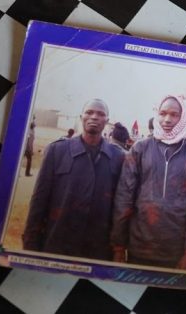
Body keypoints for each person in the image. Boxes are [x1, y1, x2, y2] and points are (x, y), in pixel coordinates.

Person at [111, 95, 186, 269]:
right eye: (163, 113)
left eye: (174, 115)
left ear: (183, 118)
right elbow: (124, 198)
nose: (167, 119)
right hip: (139, 246)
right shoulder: (140, 149)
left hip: (176, 251)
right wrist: (119, 245)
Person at [22, 99, 125, 259]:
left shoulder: (118, 157)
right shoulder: (57, 151)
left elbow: (120, 206)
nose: (94, 117)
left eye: (100, 114)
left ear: (107, 121)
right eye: (89, 112)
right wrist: (30, 242)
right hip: (58, 244)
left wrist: (117, 248)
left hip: (97, 248)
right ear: (81, 117)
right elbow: (39, 201)